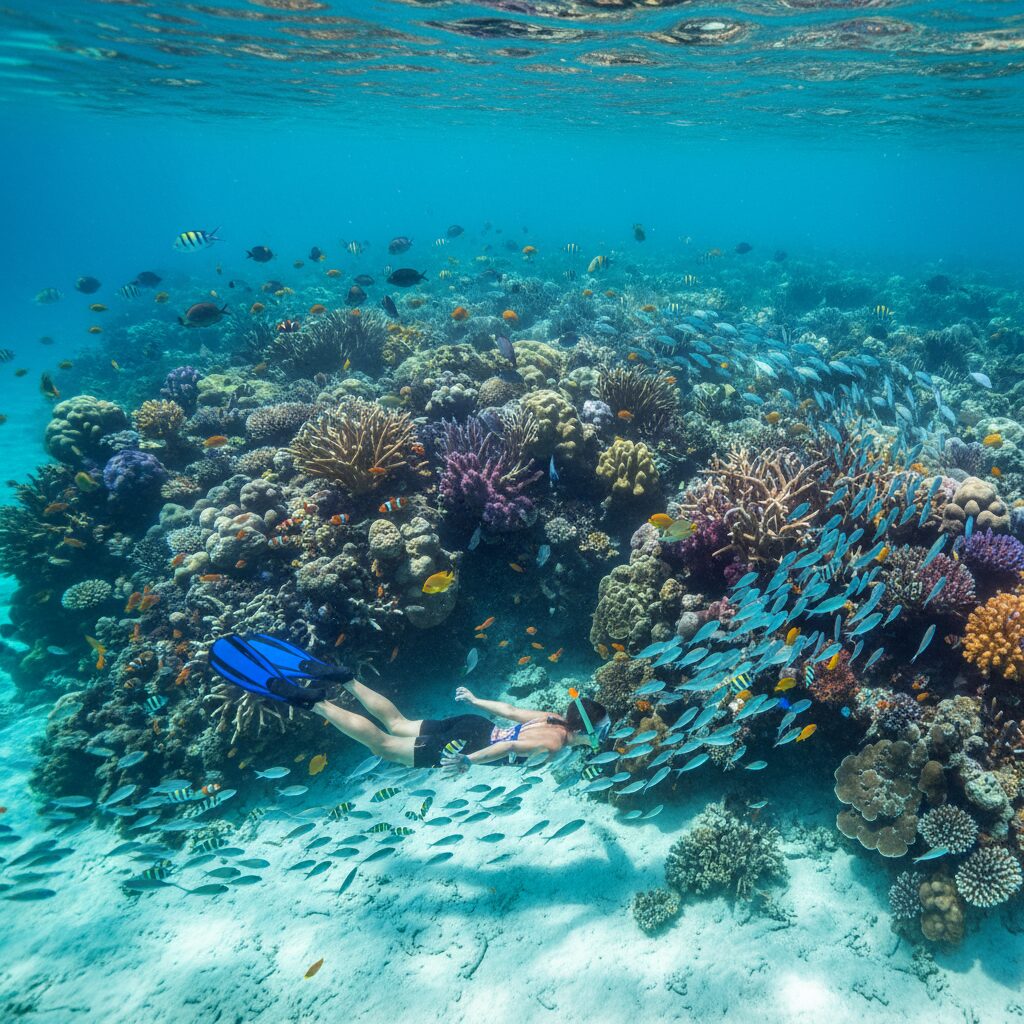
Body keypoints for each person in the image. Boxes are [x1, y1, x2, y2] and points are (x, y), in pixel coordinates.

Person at [208, 633, 610, 771]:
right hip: (468, 746)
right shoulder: (555, 743)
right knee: (383, 747)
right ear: (587, 728)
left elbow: (507, 711)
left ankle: (343, 677)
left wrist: (473, 697)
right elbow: (507, 746)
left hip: (472, 724)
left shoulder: (553, 717)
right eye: (603, 730)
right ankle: (312, 702)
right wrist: (468, 761)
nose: (604, 736)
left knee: (399, 722)